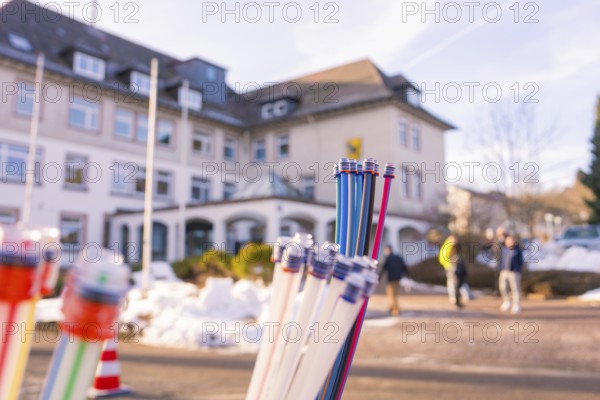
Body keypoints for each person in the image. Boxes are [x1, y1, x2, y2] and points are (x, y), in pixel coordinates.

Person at [439, 235, 467, 309]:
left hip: (457, 268)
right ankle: (455, 299)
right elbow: (443, 258)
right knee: (454, 284)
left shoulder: (455, 246)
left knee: (456, 284)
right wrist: (449, 266)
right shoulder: (448, 246)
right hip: (452, 268)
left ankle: (456, 299)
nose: (456, 241)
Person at [498, 234, 524, 314]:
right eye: (508, 240)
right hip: (504, 271)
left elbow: (521, 261)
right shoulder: (503, 249)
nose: (510, 242)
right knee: (503, 287)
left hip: (514, 272)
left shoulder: (517, 250)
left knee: (515, 289)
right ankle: (507, 301)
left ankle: (516, 305)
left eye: (512, 240)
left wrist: (517, 269)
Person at [379, 245, 408, 316]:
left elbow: (383, 269)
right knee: (395, 294)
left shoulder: (387, 258)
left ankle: (395, 310)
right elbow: (404, 266)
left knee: (391, 295)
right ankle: (393, 308)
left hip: (391, 279)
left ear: (388, 250)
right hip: (398, 278)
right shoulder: (398, 257)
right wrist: (407, 276)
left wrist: (378, 278)